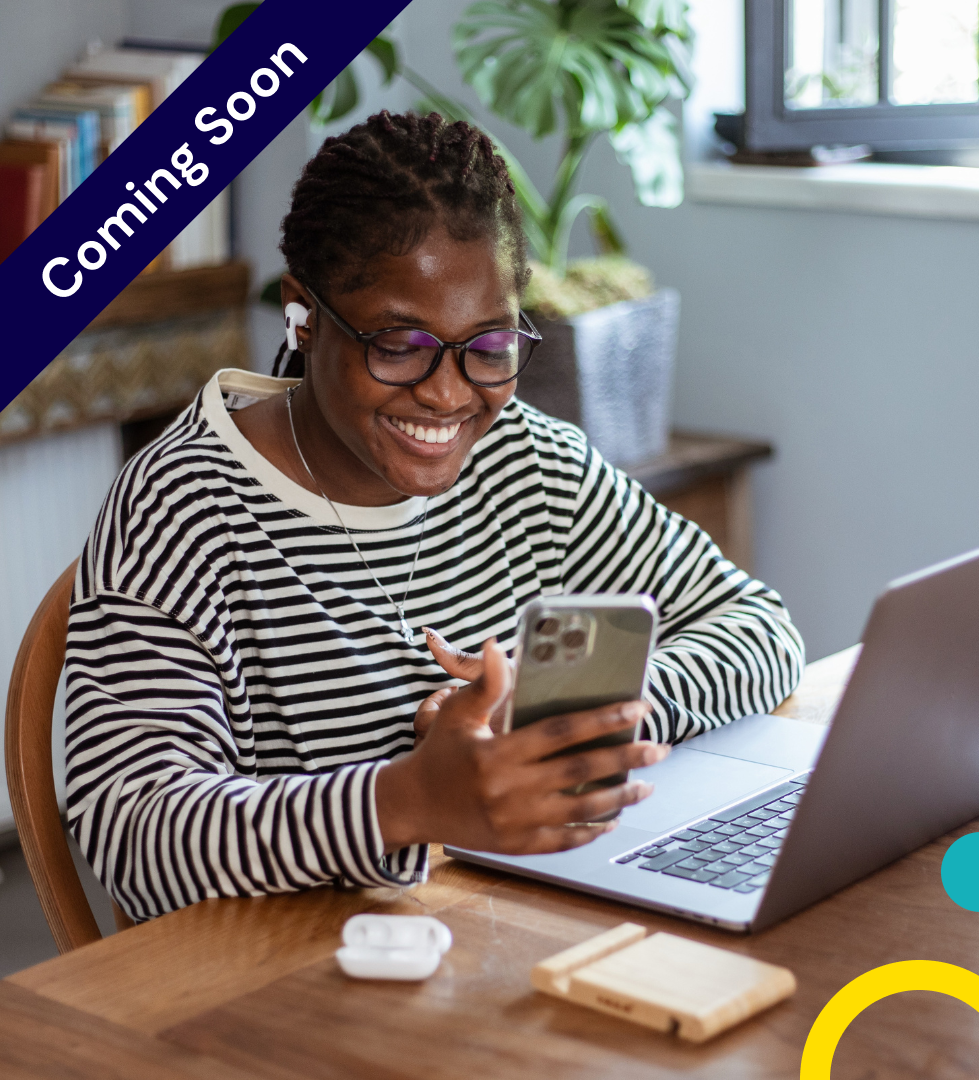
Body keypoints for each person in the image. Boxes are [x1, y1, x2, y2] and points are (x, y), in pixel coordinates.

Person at [65, 112, 804, 922]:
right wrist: (407, 801)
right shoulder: (183, 508)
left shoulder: (524, 461)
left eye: (487, 348)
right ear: (303, 317)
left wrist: (572, 719)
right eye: (399, 345)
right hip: (274, 987)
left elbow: (758, 626)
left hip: (477, 941)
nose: (449, 395)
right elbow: (131, 834)